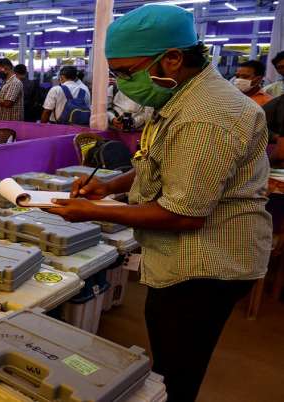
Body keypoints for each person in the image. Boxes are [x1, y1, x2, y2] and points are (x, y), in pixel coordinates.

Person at [48, 6, 271, 402]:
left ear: (172, 58)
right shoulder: (181, 94)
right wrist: (111, 186)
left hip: (207, 263)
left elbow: (183, 215)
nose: (121, 83)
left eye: (127, 72)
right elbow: (167, 161)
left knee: (178, 368)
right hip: (181, 256)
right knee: (166, 339)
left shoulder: (208, 115)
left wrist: (90, 212)